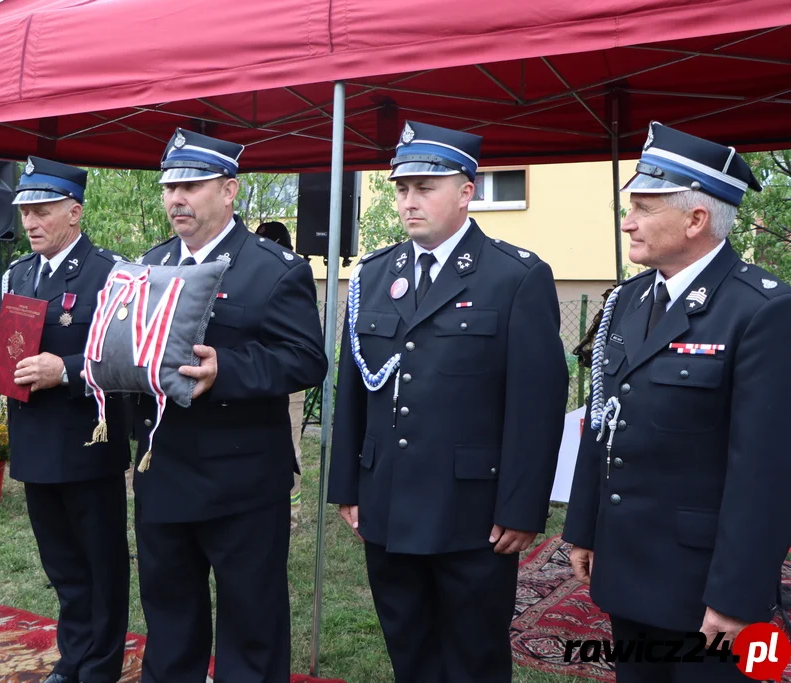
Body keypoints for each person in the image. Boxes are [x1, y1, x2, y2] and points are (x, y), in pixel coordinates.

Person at [327, 120, 569, 683]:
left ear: (466, 192)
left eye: (425, 188)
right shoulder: (374, 273)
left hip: (472, 512)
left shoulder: (515, 276)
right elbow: (353, 391)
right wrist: (348, 486)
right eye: (402, 189)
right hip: (386, 501)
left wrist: (521, 507)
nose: (410, 202)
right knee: (408, 646)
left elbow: (537, 403)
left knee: (474, 655)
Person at [562, 122, 791, 683]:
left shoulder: (762, 311)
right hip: (629, 565)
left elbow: (764, 472)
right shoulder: (630, 298)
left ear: (696, 219)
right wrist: (584, 529)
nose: (627, 220)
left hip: (705, 583)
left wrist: (738, 596)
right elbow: (604, 422)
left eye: (643, 206)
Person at [131, 129, 327, 683]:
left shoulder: (274, 267)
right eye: (169, 186)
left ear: (229, 191)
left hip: (241, 481)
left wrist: (228, 371)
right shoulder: (152, 264)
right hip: (164, 472)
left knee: (251, 625)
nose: (176, 198)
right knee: (169, 621)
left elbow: (307, 359)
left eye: (191, 185)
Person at [2, 156, 132, 683]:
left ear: (74, 211)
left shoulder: (112, 272)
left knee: (101, 563)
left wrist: (70, 370)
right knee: (61, 564)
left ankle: (100, 664)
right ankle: (73, 654)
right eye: (26, 211)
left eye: (44, 210)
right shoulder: (19, 272)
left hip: (86, 439)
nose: (30, 222)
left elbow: (127, 358)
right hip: (35, 438)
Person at [255, 220, 307, 528]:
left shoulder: (292, 274)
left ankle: (291, 513)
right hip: (257, 376)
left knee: (291, 446)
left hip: (287, 380)